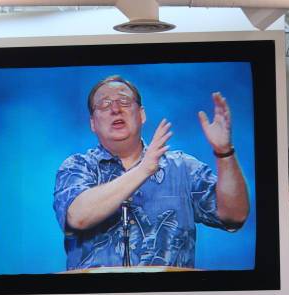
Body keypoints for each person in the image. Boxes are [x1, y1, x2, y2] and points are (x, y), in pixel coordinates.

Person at [54, 75, 249, 271]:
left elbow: (235, 215)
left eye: (124, 101)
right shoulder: (78, 166)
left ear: (142, 115)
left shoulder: (182, 167)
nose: (115, 109)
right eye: (104, 105)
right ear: (93, 124)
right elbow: (78, 216)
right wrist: (143, 169)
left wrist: (224, 152)